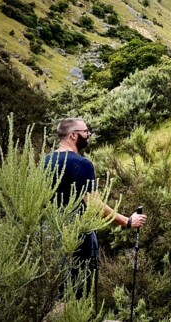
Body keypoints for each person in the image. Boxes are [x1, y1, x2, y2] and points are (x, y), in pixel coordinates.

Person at [44, 117, 147, 297]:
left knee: (54, 292)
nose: (89, 135)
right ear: (73, 135)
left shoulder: (45, 161)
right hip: (78, 237)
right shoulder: (81, 164)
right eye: (86, 132)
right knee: (81, 293)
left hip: (49, 236)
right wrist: (128, 221)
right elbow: (94, 205)